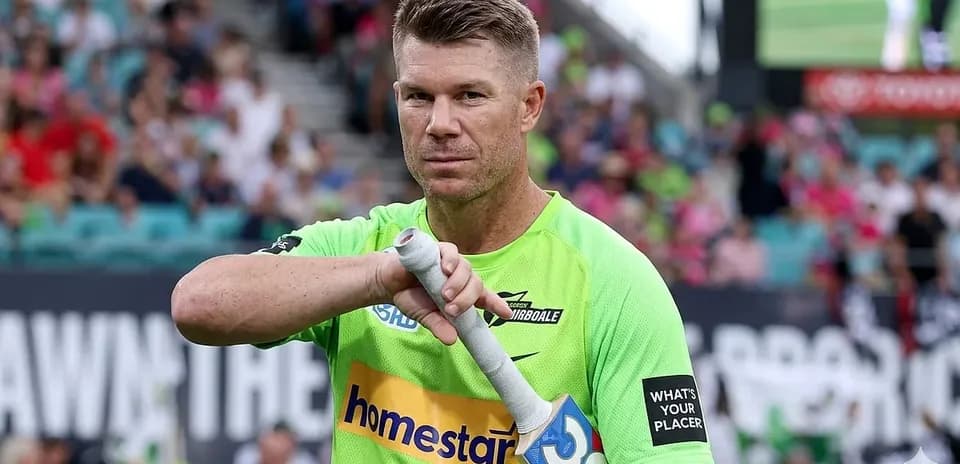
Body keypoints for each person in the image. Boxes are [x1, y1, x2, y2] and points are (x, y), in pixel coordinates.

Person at [171, 1, 713, 462]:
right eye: (418, 97)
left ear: (530, 106)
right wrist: (383, 276)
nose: (441, 123)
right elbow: (197, 304)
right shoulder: (363, 250)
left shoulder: (617, 284)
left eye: (471, 96)